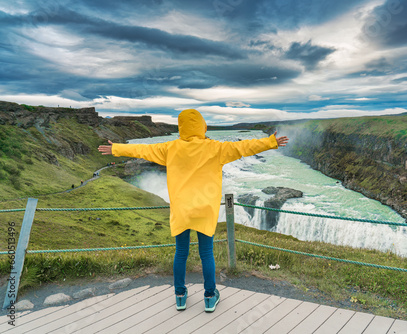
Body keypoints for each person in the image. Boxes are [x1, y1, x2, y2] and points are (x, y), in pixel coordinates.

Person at [98, 108, 288, 313]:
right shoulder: (215, 148)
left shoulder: (170, 148)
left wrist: (117, 149)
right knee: (206, 253)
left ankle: (180, 296)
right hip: (205, 210)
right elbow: (243, 147)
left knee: (181, 253)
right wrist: (270, 142)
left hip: (182, 210)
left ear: (181, 128)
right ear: (202, 126)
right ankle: (209, 297)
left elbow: (143, 150)